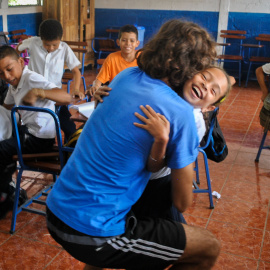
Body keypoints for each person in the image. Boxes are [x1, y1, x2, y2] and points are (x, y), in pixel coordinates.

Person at [46, 19, 221, 270]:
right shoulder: (181, 113)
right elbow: (182, 202)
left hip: (57, 207)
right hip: (89, 231)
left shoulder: (127, 75)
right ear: (191, 67)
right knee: (207, 246)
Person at [132, 66, 233, 220]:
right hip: (131, 176)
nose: (206, 85)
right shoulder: (168, 89)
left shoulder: (193, 123)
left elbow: (155, 166)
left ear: (209, 108)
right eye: (205, 77)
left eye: (213, 91)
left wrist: (161, 139)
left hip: (153, 184)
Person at [0, 45, 72, 220]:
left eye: (9, 69)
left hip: (39, 139)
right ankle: (6, 188)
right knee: (6, 138)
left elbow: (66, 97)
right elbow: (7, 106)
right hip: (28, 132)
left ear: (20, 61)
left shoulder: (31, 79)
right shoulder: (14, 85)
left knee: (2, 150)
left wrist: (39, 92)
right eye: (1, 74)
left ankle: (7, 192)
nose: (7, 77)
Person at [16, 18, 84, 139]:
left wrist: (76, 89)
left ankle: (67, 154)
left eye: (55, 45)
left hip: (54, 97)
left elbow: (76, 72)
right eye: (47, 44)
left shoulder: (64, 48)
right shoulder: (33, 42)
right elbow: (18, 48)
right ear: (40, 38)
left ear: (60, 40)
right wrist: (19, 63)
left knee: (70, 129)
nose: (51, 48)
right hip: (33, 96)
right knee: (34, 128)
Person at [87, 24, 140, 96]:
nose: (128, 43)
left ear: (137, 43)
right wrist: (96, 87)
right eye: (124, 40)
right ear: (118, 42)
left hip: (136, 96)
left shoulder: (143, 58)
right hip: (116, 96)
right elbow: (99, 80)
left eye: (132, 41)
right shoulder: (112, 58)